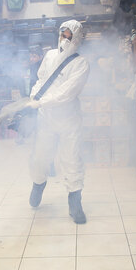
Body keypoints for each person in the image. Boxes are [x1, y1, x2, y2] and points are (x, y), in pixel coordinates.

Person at [27, 20, 91, 224]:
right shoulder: (49, 56)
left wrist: (42, 102)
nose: (63, 38)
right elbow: (40, 79)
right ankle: (38, 184)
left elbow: (68, 93)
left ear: (77, 38)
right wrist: (34, 96)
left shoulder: (81, 64)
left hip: (68, 120)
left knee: (71, 159)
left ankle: (75, 203)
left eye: (68, 35)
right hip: (46, 118)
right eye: (62, 34)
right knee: (40, 157)